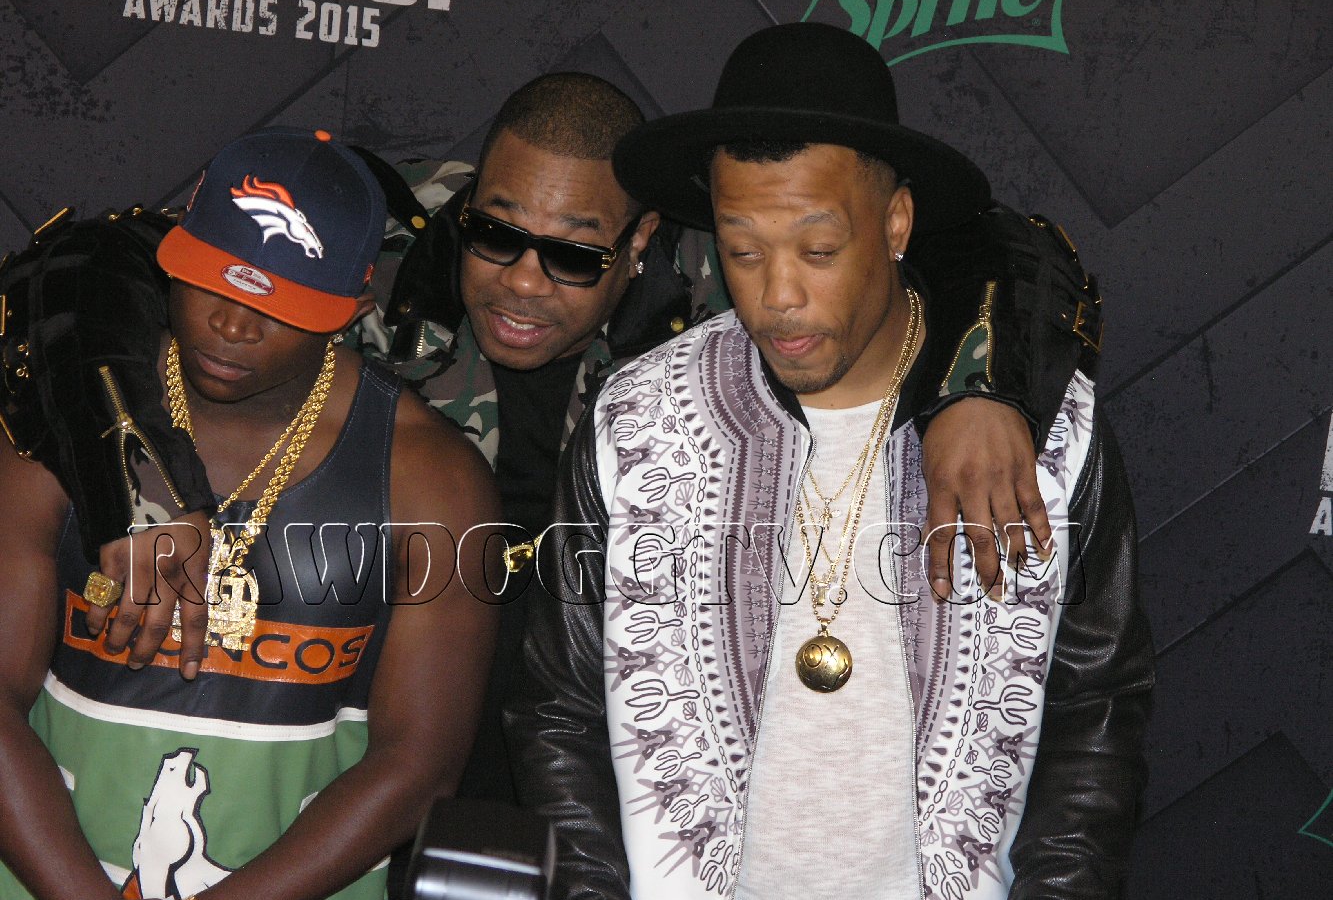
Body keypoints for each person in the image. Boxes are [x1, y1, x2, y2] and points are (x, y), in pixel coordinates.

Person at [21, 73, 1102, 811]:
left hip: (613, 738)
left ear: (639, 244)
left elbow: (985, 240)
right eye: (497, 236)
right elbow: (91, 266)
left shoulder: (722, 290)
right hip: (357, 719)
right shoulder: (378, 249)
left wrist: (979, 385)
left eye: (574, 256)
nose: (524, 283)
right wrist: (141, 483)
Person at [505, 23, 1154, 900]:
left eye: (817, 250)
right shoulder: (637, 420)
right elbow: (558, 706)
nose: (777, 295)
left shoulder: (1045, 437)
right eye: (742, 251)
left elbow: (1096, 706)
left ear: (894, 224)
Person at [0, 128, 501, 900]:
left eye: (278, 306)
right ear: (171, 260)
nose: (233, 326)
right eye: (211, 283)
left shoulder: (432, 479)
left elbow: (419, 766)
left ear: (351, 311)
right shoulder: (65, 428)